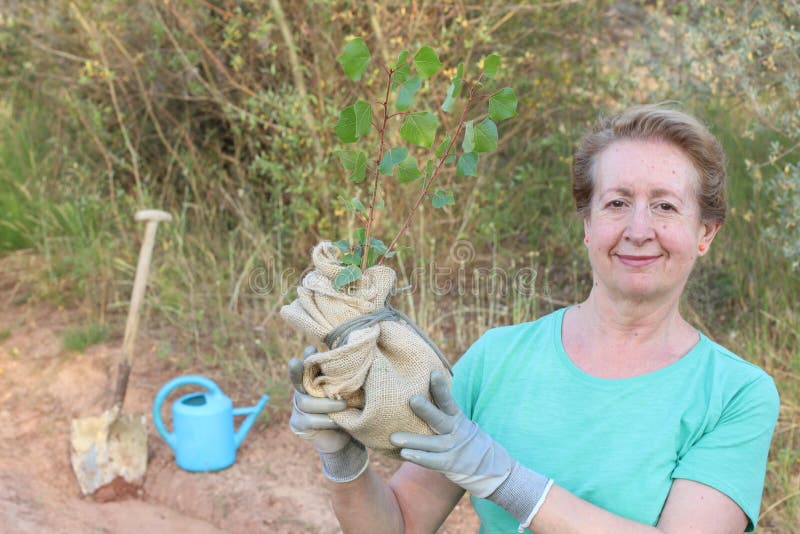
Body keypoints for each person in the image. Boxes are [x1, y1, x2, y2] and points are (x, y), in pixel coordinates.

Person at [288, 104, 780, 533]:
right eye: (616, 203)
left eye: (666, 206)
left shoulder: (736, 394)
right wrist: (342, 460)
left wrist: (508, 480)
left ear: (705, 233)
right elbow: (399, 525)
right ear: (588, 224)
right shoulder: (497, 359)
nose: (638, 229)